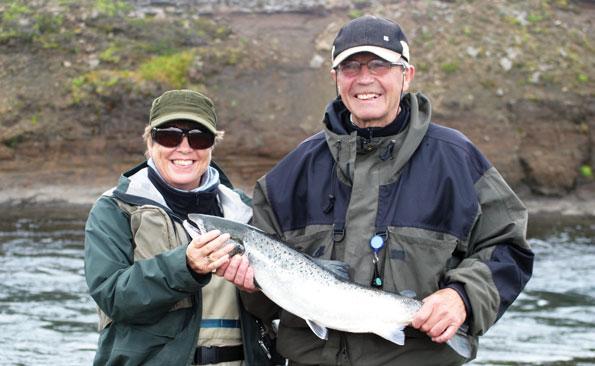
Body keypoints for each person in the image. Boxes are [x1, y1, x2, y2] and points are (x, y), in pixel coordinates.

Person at [240, 15, 534, 365]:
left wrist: (463, 297)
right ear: (335, 79)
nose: (365, 79)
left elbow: (509, 248)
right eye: (350, 67)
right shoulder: (289, 174)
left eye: (379, 65)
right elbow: (264, 305)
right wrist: (250, 285)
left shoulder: (457, 159)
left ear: (406, 75)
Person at [84, 89, 270, 365]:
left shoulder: (245, 211)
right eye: (169, 136)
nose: (184, 148)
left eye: (199, 138)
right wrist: (184, 266)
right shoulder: (115, 209)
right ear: (150, 143)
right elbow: (112, 296)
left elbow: (274, 309)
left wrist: (256, 290)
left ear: (211, 146)